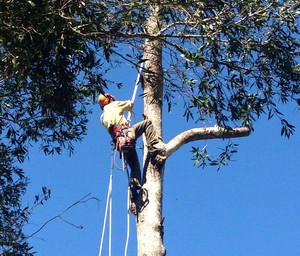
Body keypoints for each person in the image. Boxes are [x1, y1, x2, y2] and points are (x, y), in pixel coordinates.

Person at [98, 93, 166, 189]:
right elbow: (130, 104)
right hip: (125, 133)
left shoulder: (102, 117)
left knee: (134, 166)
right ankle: (154, 145)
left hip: (119, 143)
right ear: (109, 99)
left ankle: (134, 185)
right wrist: (128, 101)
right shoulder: (114, 104)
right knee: (147, 123)